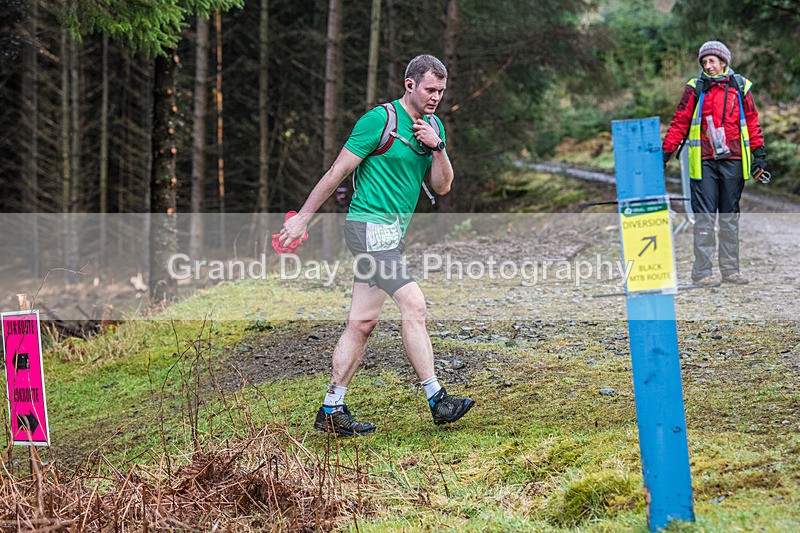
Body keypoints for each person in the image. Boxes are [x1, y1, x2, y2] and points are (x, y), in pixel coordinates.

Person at [277, 54, 475, 436]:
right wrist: (303, 216)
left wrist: (438, 147)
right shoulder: (379, 121)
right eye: (430, 89)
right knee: (414, 304)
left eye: (441, 91)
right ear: (410, 85)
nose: (436, 97)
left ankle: (331, 410)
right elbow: (337, 170)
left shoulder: (433, 127)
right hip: (367, 229)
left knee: (362, 323)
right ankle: (438, 399)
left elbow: (443, 185)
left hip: (390, 236)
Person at [663, 40, 767, 287]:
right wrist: (665, 153)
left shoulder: (740, 87)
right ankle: (702, 273)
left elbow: (752, 122)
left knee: (729, 217)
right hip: (704, 162)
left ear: (724, 62)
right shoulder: (695, 88)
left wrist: (759, 154)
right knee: (705, 218)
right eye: (704, 62)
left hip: (733, 160)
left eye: (712, 61)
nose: (708, 66)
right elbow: (680, 122)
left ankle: (730, 271)